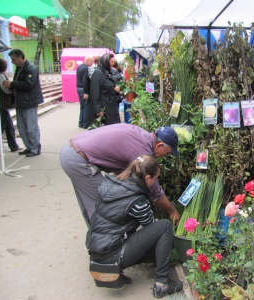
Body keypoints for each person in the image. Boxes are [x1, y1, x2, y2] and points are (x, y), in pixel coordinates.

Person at [87, 155, 183, 298]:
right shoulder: (137, 201)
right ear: (148, 178)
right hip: (112, 254)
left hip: (96, 251)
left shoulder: (113, 183)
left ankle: (115, 270)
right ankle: (162, 284)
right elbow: (151, 227)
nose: (155, 182)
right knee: (164, 227)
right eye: (156, 179)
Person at [59, 123, 180, 228]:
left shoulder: (143, 136)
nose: (165, 156)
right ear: (159, 146)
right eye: (167, 153)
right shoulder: (142, 151)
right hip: (78, 159)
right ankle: (105, 249)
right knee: (103, 207)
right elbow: (154, 189)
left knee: (90, 203)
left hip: (72, 150)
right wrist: (172, 212)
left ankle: (99, 241)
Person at [3, 49, 43, 157]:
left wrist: (11, 84)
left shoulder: (30, 68)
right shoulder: (20, 68)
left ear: (21, 57)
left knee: (31, 127)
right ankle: (29, 146)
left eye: (14, 59)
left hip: (29, 102)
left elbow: (28, 84)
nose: (13, 62)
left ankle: (35, 148)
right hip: (20, 102)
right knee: (22, 128)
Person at [90, 53, 121, 125]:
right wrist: (98, 109)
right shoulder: (98, 73)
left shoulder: (107, 72)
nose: (113, 64)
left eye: (113, 61)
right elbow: (94, 92)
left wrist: (116, 90)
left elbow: (108, 86)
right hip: (105, 108)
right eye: (111, 61)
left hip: (111, 107)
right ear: (105, 61)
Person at [0, 58, 22, 152]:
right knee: (1, 126)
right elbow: (6, 90)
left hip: (2, 104)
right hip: (2, 103)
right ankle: (13, 145)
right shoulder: (0, 76)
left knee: (9, 126)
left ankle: (13, 145)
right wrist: (12, 87)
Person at [76, 56, 93, 129]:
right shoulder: (86, 68)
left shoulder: (79, 67)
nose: (92, 63)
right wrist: (86, 92)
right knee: (86, 106)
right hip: (83, 89)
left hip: (79, 88)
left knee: (82, 106)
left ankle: (81, 122)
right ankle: (85, 124)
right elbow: (85, 80)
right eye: (91, 61)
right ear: (87, 61)